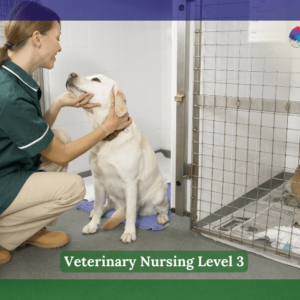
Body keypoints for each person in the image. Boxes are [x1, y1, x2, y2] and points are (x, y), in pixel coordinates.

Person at [0, 2, 132, 266]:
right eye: (57, 38)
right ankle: (6, 235)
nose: (60, 47)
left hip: (7, 167)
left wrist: (59, 103)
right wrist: (108, 127)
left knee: (60, 135)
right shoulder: (10, 93)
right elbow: (60, 155)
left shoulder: (14, 76)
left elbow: (30, 133)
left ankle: (32, 229)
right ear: (37, 38)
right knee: (74, 187)